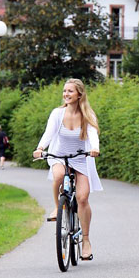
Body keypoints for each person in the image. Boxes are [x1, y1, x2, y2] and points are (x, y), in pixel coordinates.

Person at [33, 78, 101, 261]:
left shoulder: (88, 115)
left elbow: (93, 135)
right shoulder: (57, 113)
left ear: (79, 94)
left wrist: (95, 148)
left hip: (81, 158)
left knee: (83, 198)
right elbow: (49, 133)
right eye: (65, 91)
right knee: (59, 175)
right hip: (59, 155)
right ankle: (57, 207)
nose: (66, 94)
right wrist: (40, 148)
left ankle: (85, 241)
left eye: (70, 91)